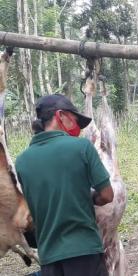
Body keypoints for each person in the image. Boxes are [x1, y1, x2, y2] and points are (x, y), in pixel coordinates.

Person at [15, 94, 114, 276]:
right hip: (85, 252)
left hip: (49, 257)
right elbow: (107, 195)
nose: (77, 127)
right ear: (60, 116)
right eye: (75, 120)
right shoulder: (82, 147)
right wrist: (90, 195)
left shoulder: (21, 162)